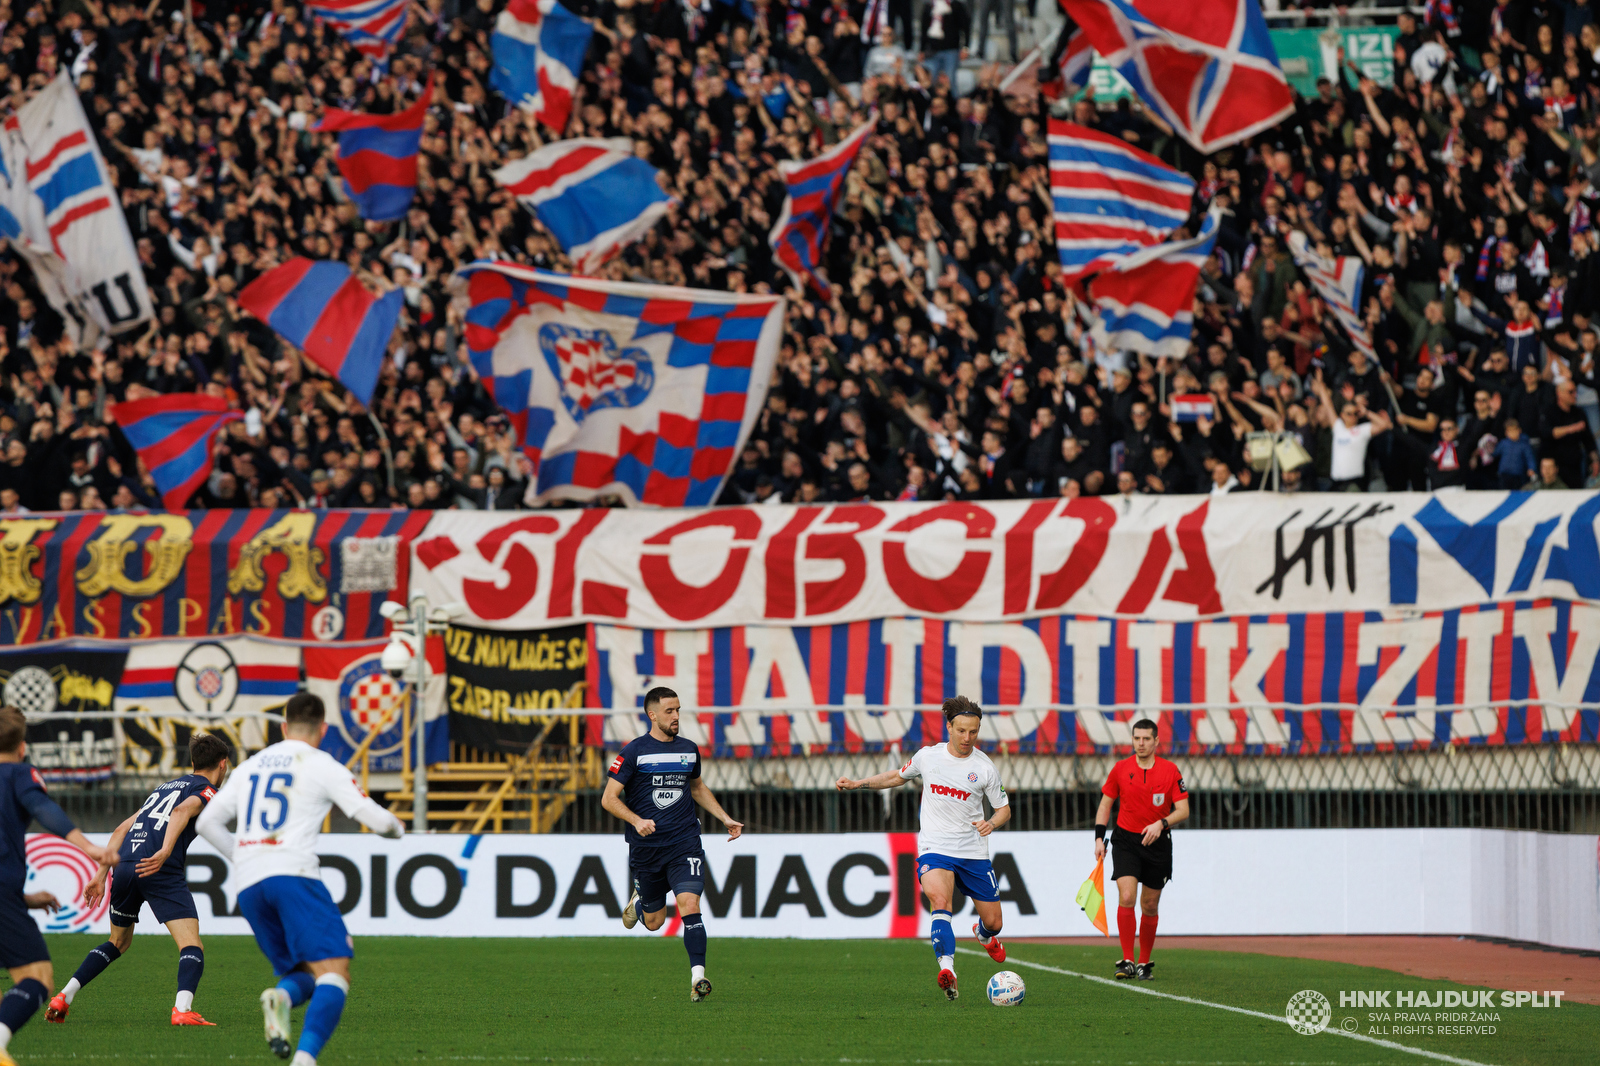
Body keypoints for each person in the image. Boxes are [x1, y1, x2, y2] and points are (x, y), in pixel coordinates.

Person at [196, 694, 404, 1066]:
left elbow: (206, 822)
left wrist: (242, 856)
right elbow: (375, 819)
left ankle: (283, 998)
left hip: (248, 887)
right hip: (292, 875)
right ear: (323, 729)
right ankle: (305, 1060)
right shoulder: (322, 764)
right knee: (336, 972)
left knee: (303, 972)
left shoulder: (250, 766)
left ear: (283, 727)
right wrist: (397, 829)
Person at [48, 733, 233, 1027]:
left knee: (118, 942)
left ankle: (63, 997)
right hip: (158, 868)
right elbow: (182, 811)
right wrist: (165, 850)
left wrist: (100, 874)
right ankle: (182, 1010)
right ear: (222, 764)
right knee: (191, 946)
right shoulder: (208, 790)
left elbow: (122, 828)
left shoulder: (162, 788)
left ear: (194, 761)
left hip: (123, 867)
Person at [835, 695, 1010, 1000]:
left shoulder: (985, 768)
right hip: (934, 846)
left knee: (994, 923)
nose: (967, 738)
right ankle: (948, 969)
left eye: (973, 732)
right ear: (949, 728)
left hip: (972, 852)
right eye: (961, 731)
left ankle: (983, 935)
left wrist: (991, 824)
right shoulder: (928, 757)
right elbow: (896, 776)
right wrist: (857, 783)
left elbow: (1004, 809)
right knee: (940, 899)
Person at [604, 687, 743, 1002]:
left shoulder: (689, 750)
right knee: (654, 923)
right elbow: (608, 798)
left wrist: (724, 817)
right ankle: (640, 903)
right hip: (648, 849)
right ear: (652, 715)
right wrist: (636, 820)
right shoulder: (633, 752)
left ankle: (698, 979)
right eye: (669, 711)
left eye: (678, 709)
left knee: (690, 906)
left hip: (685, 843)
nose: (676, 716)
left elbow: (697, 788)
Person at [1, 705, 110, 1066]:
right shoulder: (18, 773)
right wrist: (90, 847)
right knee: (37, 978)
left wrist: (25, 898)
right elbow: (43, 808)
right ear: (22, 747)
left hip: (8, 895)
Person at [1094, 718, 1189, 981]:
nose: (1141, 743)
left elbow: (1183, 810)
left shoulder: (1170, 771)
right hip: (1126, 841)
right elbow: (1105, 805)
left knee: (1149, 904)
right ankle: (1127, 960)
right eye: (1137, 738)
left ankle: (1144, 963)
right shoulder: (1121, 769)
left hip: (1157, 844)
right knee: (1127, 897)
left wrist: (1162, 823)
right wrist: (1099, 838)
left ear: (1156, 741)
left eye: (1146, 739)